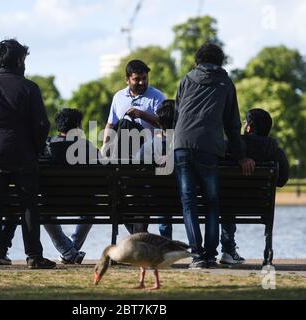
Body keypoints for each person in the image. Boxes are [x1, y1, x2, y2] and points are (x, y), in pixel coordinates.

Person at [0, 39, 55, 269]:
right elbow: (42, 124)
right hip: (25, 156)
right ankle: (34, 256)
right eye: (24, 59)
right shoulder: (30, 88)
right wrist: (35, 149)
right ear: (18, 60)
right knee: (28, 206)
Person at [173, 43, 255, 269]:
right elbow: (232, 123)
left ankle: (197, 257)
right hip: (209, 147)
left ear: (197, 61)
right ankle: (210, 255)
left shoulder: (187, 79)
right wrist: (240, 155)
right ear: (220, 61)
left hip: (181, 145)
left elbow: (177, 115)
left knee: (188, 202)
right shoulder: (225, 83)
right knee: (211, 202)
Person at [102, 59, 166, 235]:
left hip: (148, 157)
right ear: (127, 79)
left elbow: (165, 124)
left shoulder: (157, 97)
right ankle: (138, 237)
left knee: (141, 199)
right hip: (123, 156)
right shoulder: (118, 97)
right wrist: (104, 147)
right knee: (119, 198)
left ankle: (139, 237)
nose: (141, 83)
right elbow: (110, 125)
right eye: (137, 79)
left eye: (144, 78)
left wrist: (141, 115)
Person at [220, 108, 289, 264]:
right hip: (260, 204)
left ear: (249, 127)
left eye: (245, 123)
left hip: (228, 203)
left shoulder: (230, 146)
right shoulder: (275, 151)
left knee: (227, 197)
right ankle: (267, 253)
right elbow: (282, 180)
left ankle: (228, 250)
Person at [42, 108, 97, 264]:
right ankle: (70, 251)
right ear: (78, 126)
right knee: (90, 213)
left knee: (44, 214)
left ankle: (68, 251)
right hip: (84, 203)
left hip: (51, 203)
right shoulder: (87, 147)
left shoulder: (47, 146)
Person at [136, 99, 175, 239]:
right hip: (182, 198)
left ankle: (166, 244)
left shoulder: (148, 147)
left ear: (159, 122)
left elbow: (136, 169)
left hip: (154, 198)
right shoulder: (185, 146)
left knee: (160, 201)